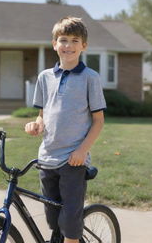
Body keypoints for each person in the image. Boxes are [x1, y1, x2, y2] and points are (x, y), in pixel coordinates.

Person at [25, 16, 106, 243]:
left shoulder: (90, 78)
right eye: (63, 40)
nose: (68, 45)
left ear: (84, 46)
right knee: (53, 219)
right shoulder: (45, 78)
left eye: (74, 40)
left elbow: (98, 120)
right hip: (47, 158)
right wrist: (36, 125)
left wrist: (82, 151)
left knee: (70, 222)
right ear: (54, 44)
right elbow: (43, 114)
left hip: (73, 160)